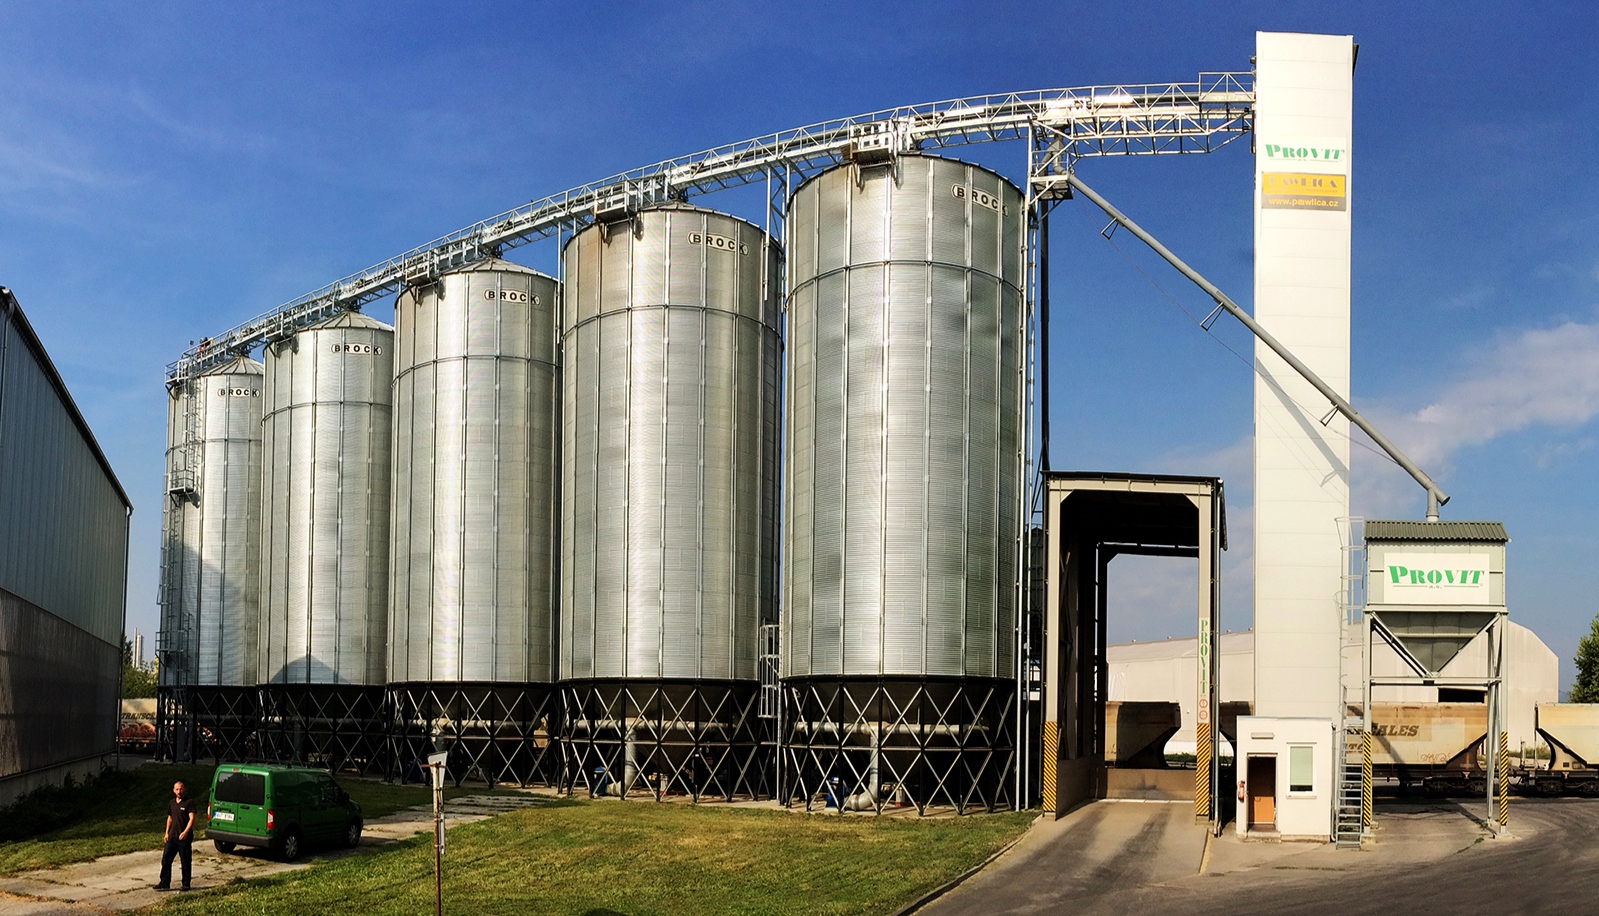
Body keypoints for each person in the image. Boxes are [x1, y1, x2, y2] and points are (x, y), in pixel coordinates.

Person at [154, 780, 197, 891]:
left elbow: (192, 819)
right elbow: (170, 818)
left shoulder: (189, 802)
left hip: (184, 838)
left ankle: (186, 884)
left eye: (181, 789)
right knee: (166, 859)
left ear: (184, 789)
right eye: (177, 789)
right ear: (173, 790)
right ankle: (164, 882)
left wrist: (185, 832)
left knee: (185, 861)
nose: (179, 791)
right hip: (172, 836)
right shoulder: (172, 803)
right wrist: (166, 832)